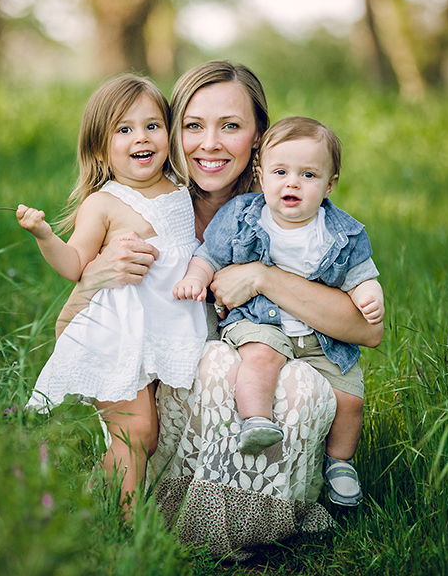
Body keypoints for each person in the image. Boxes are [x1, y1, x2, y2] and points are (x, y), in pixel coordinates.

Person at [54, 61, 383, 557]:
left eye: (230, 126)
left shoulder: (288, 207)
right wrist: (98, 275)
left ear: (258, 137)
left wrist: (263, 276)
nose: (209, 143)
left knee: (296, 383)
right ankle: (170, 520)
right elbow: (66, 332)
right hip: (171, 412)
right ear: (172, 132)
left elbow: (368, 331)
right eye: (193, 126)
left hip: (266, 395)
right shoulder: (149, 209)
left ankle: (262, 529)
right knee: (214, 365)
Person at [18, 74, 207, 513]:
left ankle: (95, 500)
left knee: (154, 435)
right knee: (136, 432)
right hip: (117, 337)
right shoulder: (104, 203)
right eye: (124, 129)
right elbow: (75, 265)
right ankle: (123, 528)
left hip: (165, 332)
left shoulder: (183, 192)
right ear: (101, 148)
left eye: (152, 125)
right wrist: (45, 235)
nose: (140, 137)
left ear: (170, 133)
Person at [173, 116, 385, 507]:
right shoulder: (244, 216)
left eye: (308, 175)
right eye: (281, 172)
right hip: (260, 322)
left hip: (320, 340)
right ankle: (257, 420)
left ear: (329, 184)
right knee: (261, 356)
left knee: (351, 398)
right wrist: (195, 277)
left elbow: (362, 275)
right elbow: (209, 254)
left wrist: (371, 293)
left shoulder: (342, 231)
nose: (293, 183)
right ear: (262, 174)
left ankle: (339, 463)